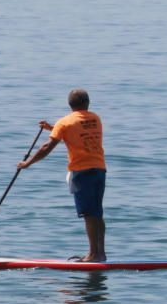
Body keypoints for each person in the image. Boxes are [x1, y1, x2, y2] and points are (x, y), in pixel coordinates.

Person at [18, 89, 107, 262]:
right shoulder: (95, 118)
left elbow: (47, 147)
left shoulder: (64, 123)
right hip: (99, 170)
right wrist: (53, 128)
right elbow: (77, 132)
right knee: (97, 213)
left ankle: (93, 255)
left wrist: (27, 163)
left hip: (82, 172)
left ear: (69, 104)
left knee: (89, 214)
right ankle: (100, 252)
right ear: (87, 103)